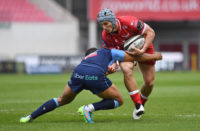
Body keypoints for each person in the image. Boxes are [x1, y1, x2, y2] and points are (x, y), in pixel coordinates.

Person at [20, 48, 162, 124]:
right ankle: (87, 109)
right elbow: (134, 57)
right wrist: (154, 56)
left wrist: (105, 73)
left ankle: (30, 117)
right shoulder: (108, 52)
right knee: (119, 100)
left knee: (62, 99)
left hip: (78, 73)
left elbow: (92, 70)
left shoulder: (88, 58)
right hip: (94, 75)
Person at [97, 8, 157, 119]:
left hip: (143, 47)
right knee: (126, 69)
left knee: (149, 82)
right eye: (102, 24)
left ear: (113, 21)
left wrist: (143, 50)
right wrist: (113, 64)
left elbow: (150, 32)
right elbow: (111, 53)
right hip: (124, 52)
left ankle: (142, 103)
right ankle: (138, 105)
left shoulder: (130, 22)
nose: (104, 27)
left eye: (106, 23)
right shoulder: (105, 35)